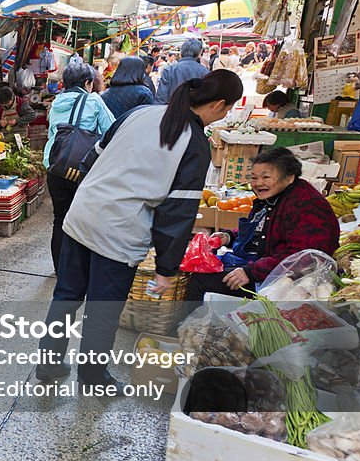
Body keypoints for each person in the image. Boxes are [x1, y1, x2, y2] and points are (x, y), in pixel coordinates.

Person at [36, 71, 243, 389]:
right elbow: (177, 213)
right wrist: (166, 268)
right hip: (119, 231)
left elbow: (92, 157)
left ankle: (48, 366)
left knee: (66, 294)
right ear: (218, 105)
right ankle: (92, 377)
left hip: (83, 214)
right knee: (103, 310)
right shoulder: (195, 143)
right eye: (227, 109)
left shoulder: (140, 113)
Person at [185, 148, 338, 302]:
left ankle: (187, 325)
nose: (258, 183)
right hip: (266, 268)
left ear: (290, 177)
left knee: (200, 281)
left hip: (290, 284)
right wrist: (229, 236)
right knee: (203, 271)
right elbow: (262, 229)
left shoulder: (305, 205)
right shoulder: (274, 197)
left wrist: (251, 272)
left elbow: (304, 257)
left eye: (266, 177)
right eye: (254, 177)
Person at [42, 63, 115, 274]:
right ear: (87, 82)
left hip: (55, 167)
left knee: (60, 218)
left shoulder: (57, 102)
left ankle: (60, 268)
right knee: (83, 220)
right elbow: (111, 131)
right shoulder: (93, 100)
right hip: (81, 169)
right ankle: (77, 270)